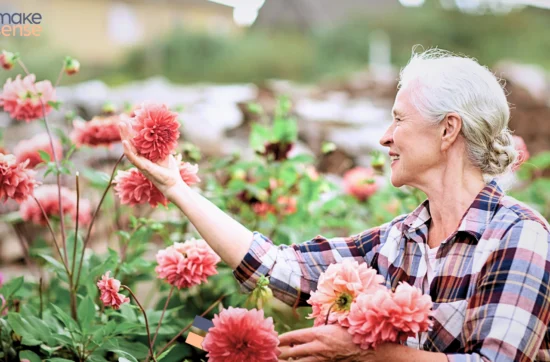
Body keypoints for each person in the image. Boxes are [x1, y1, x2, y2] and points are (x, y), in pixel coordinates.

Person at [118, 49, 550, 362]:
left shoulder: (519, 235)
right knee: (196, 336)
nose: (384, 137)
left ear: (448, 130)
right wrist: (175, 186)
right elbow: (280, 269)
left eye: (399, 119)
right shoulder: (398, 240)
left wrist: (369, 354)